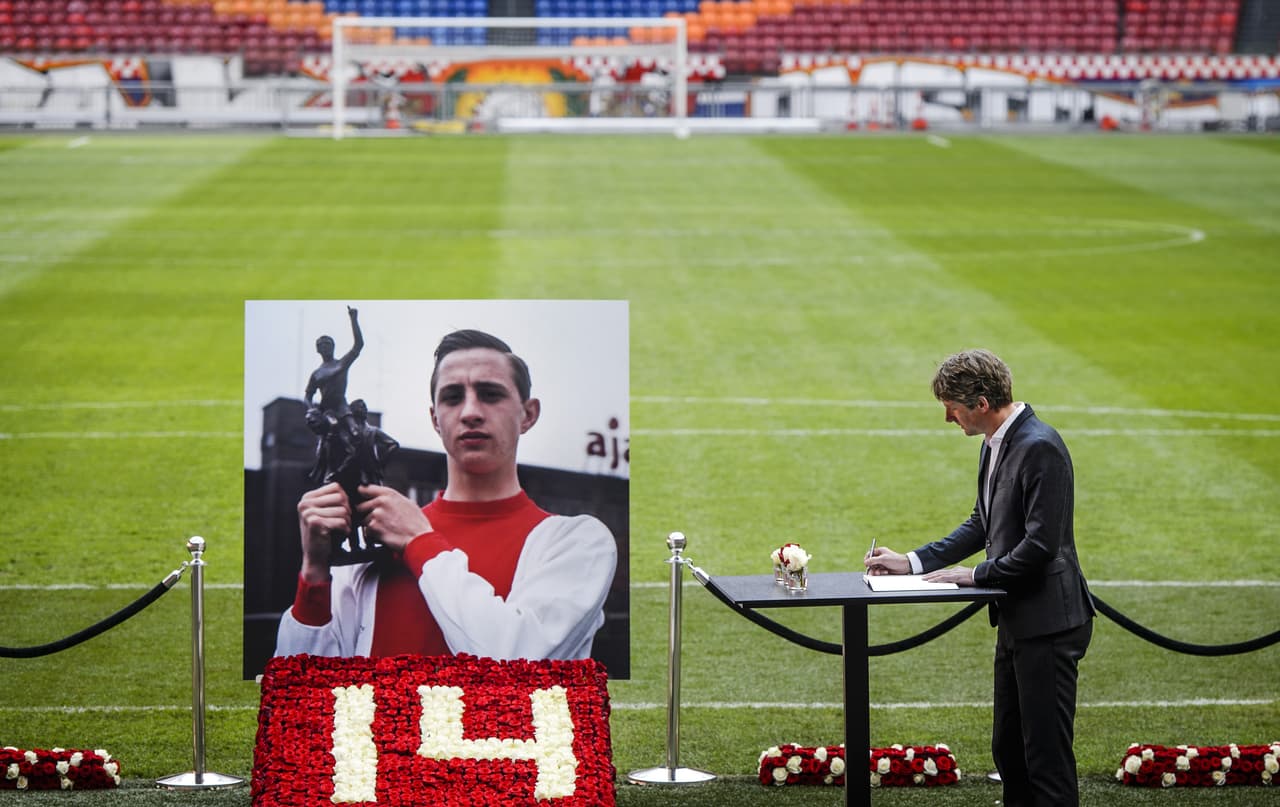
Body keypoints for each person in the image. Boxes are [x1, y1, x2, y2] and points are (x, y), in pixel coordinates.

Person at [275, 329, 618, 662]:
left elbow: (518, 661)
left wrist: (421, 541)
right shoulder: (373, 542)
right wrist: (314, 574)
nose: (470, 412)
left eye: (490, 394)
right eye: (453, 397)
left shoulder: (578, 542)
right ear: (435, 419)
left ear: (528, 415)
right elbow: (304, 690)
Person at [865, 349, 1094, 807]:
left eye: (952, 407)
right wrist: (911, 561)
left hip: (1049, 623)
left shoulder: (1040, 446)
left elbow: (1041, 544)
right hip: (1017, 620)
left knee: (1045, 759)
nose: (948, 419)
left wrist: (976, 575)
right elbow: (982, 523)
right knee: (1010, 751)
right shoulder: (997, 443)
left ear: (982, 402)